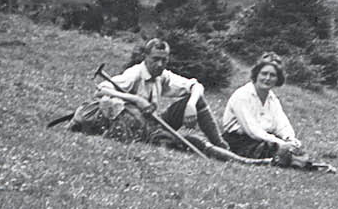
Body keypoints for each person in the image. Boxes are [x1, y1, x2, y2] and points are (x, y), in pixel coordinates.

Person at [72, 37, 233, 153]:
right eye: (155, 59)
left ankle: (222, 146)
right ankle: (230, 157)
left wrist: (190, 105)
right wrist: (136, 99)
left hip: (155, 123)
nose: (160, 64)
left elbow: (195, 85)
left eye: (164, 60)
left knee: (197, 100)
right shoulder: (134, 74)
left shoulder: (162, 75)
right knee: (192, 142)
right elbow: (100, 90)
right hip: (138, 129)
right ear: (146, 57)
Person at [221, 53, 321, 168]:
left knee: (289, 148)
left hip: (266, 139)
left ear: (277, 79)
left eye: (272, 75)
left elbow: (282, 124)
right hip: (240, 141)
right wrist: (280, 143)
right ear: (256, 75)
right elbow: (253, 131)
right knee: (277, 150)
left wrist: (290, 139)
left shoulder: (272, 99)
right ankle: (295, 161)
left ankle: (294, 160)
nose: (267, 78)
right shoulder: (242, 96)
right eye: (264, 74)